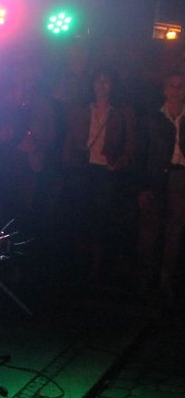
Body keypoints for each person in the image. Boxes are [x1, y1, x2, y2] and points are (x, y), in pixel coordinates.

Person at [62, 68, 139, 286]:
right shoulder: (81, 109)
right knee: (81, 216)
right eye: (98, 81)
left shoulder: (121, 112)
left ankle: (96, 268)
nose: (102, 86)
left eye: (106, 81)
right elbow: (70, 139)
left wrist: (120, 162)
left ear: (113, 85)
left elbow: (131, 144)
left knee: (100, 219)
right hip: (82, 169)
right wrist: (67, 165)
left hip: (106, 171)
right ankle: (80, 264)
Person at [138, 70, 185, 303]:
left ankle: (167, 280)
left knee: (175, 231)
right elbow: (144, 153)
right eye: (172, 85)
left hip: (181, 177)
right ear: (165, 89)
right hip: (157, 177)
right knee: (151, 228)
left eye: (180, 86)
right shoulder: (153, 117)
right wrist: (144, 185)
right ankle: (147, 277)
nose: (176, 90)